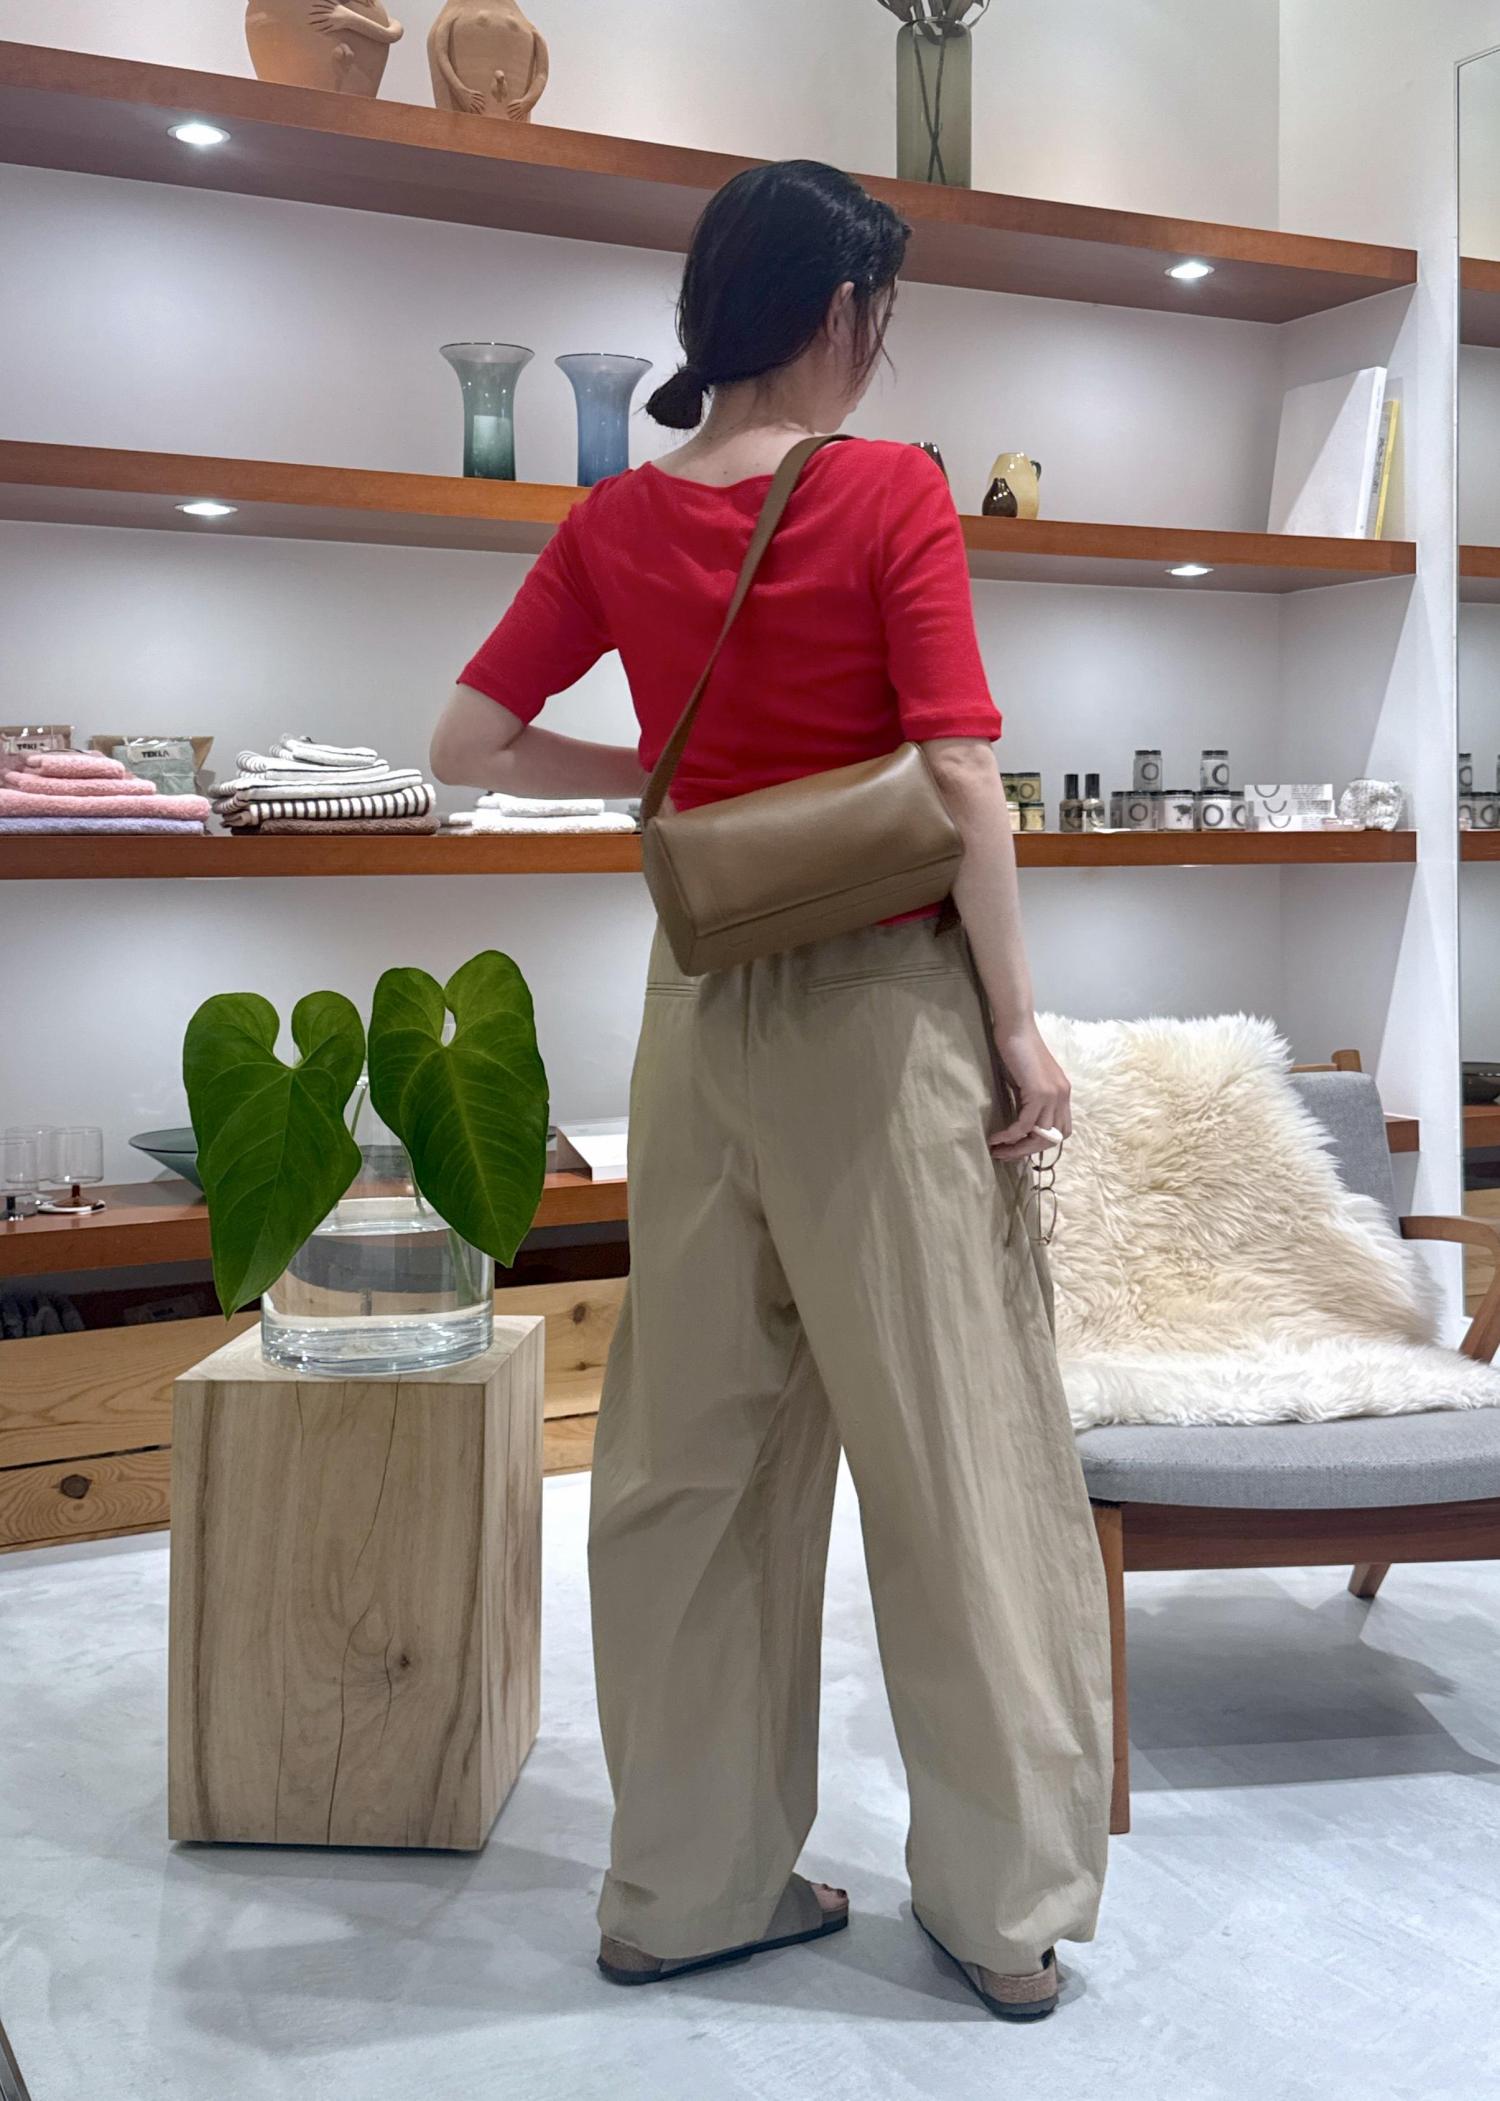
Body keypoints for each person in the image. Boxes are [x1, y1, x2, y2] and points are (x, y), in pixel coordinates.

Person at [431, 158, 1112, 2024]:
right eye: (879, 313)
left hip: (698, 1004)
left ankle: (683, 1887)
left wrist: (659, 777)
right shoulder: (886, 489)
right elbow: (959, 779)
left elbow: (464, 741)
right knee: (955, 1457)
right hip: (883, 1015)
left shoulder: (615, 517)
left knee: (686, 1459)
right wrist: (1023, 1027)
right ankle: (999, 1911)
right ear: (837, 313)